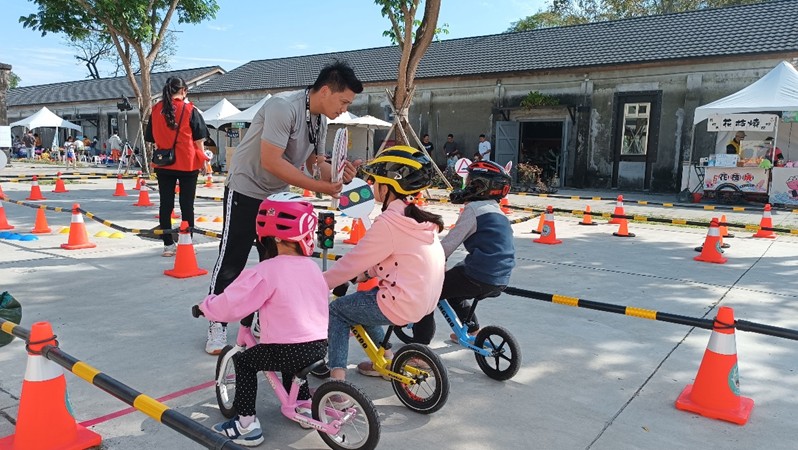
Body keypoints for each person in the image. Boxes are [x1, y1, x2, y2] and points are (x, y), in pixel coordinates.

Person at [204, 60, 363, 355]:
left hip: (277, 199)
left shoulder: (321, 121)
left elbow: (316, 163)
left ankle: (267, 324)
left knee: (277, 265)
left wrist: (340, 173)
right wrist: (320, 188)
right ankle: (216, 321)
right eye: (343, 101)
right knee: (232, 260)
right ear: (326, 91)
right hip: (246, 188)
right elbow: (272, 161)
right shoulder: (282, 107)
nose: (344, 108)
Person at [198, 193, 328, 446]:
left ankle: (246, 425)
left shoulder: (265, 271)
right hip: (319, 345)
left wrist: (207, 308)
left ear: (268, 235)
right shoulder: (312, 267)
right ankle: (301, 404)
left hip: (286, 349)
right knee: (294, 355)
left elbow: (232, 304)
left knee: (246, 362)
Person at [322, 146, 446, 381]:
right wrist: (368, 274)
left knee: (338, 311)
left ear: (388, 187)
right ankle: (386, 362)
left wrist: (318, 284)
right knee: (364, 304)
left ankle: (336, 383)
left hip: (402, 302)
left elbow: (352, 262)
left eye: (375, 180)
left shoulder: (389, 223)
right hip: (425, 302)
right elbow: (396, 259)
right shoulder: (417, 218)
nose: (371, 184)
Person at [408, 160, 516, 345]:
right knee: (455, 289)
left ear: (479, 186)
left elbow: (448, 246)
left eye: (469, 181)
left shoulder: (474, 210)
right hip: (501, 276)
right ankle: (473, 331)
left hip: (479, 273)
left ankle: (419, 348)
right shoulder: (497, 211)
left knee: (428, 292)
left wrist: (425, 260)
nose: (465, 186)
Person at [144, 76, 209, 257]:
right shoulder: (190, 109)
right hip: (187, 162)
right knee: (187, 204)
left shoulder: (156, 110)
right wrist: (203, 160)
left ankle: (168, 245)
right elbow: (198, 140)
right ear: (184, 91)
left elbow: (152, 139)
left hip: (163, 163)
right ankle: (186, 242)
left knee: (166, 204)